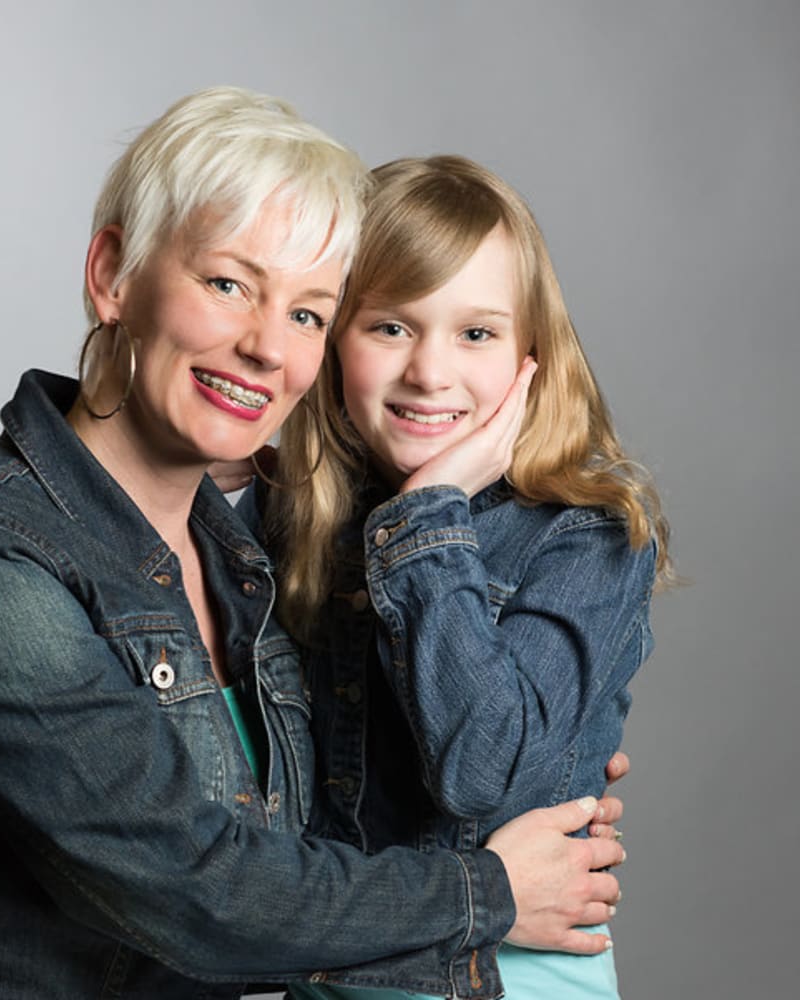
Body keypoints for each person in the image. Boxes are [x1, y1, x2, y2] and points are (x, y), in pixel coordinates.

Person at [0, 95, 624, 1000]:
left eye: (309, 314)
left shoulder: (263, 548)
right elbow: (199, 895)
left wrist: (564, 755)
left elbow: (370, 789)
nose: (263, 347)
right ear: (113, 275)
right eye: (228, 285)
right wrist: (493, 894)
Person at [236, 155, 671, 999]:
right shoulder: (290, 510)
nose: (430, 373)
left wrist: (428, 511)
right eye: (391, 327)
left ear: (529, 356)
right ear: (331, 340)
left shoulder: (587, 532)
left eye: (476, 333)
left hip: (509, 979)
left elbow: (483, 780)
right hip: (332, 968)